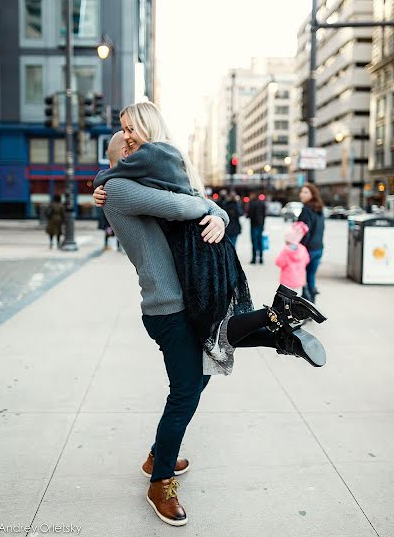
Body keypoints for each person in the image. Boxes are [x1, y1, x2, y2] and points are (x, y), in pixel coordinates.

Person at [93, 102, 327, 527]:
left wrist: (217, 213)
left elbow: (197, 202)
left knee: (202, 371)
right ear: (115, 161)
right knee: (186, 391)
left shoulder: (139, 184)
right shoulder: (120, 189)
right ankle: (159, 481)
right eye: (123, 143)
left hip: (183, 299)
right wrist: (209, 210)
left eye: (133, 134)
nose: (130, 145)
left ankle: (278, 331)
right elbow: (186, 208)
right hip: (167, 307)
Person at [298, 183, 325, 302]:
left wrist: (299, 248)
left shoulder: (306, 210)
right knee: (311, 277)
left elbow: (304, 231)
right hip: (318, 248)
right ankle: (312, 305)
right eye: (301, 192)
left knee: (303, 278)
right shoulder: (319, 209)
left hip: (307, 249)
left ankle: (306, 307)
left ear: (312, 194)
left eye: (305, 192)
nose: (301, 194)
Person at [275, 222, 310, 292]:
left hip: (287, 281)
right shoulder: (302, 249)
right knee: (296, 298)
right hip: (299, 280)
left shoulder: (286, 251)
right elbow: (307, 260)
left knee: (286, 298)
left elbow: (279, 262)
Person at [248, 192, 266, 264]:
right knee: (260, 241)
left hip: (254, 224)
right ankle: (261, 258)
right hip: (260, 224)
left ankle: (254, 258)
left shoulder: (252, 204)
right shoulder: (262, 204)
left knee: (254, 241)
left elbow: (250, 214)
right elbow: (264, 215)